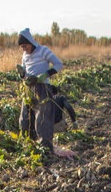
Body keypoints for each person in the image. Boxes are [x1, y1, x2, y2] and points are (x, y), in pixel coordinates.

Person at [17, 28, 73, 159]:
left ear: (31, 42)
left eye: (25, 46)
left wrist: (46, 74)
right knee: (25, 117)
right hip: (29, 89)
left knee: (43, 118)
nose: (24, 49)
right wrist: (22, 74)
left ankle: (45, 146)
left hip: (43, 88)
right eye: (21, 47)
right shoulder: (25, 55)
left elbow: (59, 64)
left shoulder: (43, 50)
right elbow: (25, 72)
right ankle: (28, 143)